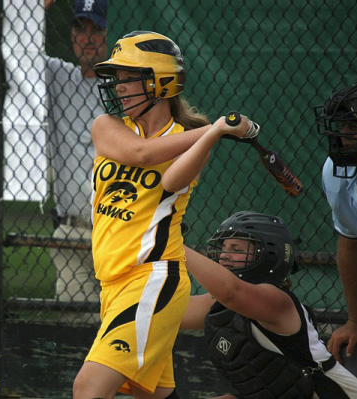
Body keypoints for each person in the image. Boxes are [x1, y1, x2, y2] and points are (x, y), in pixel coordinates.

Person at [72, 30, 255, 399]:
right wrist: (215, 129)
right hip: (112, 285)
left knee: (88, 389)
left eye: (129, 78)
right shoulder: (107, 127)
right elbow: (142, 154)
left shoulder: (189, 138)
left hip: (152, 278)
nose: (119, 87)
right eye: (117, 79)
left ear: (162, 82)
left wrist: (210, 134)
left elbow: (171, 180)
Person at [178, 211, 357, 399]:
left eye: (236, 249)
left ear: (268, 255)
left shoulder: (278, 301)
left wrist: (174, 243)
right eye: (224, 248)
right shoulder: (218, 305)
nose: (224, 255)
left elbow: (232, 292)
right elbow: (167, 313)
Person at [45, 0, 108, 311]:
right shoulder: (59, 77)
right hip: (72, 231)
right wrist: (35, 10)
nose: (87, 37)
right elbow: (15, 54)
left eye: (96, 29)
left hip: (119, 230)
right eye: (79, 28)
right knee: (74, 328)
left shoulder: (130, 86)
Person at [315, 81, 357, 391]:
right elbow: (353, 244)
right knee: (350, 375)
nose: (345, 134)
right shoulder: (336, 172)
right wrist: (355, 321)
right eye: (343, 124)